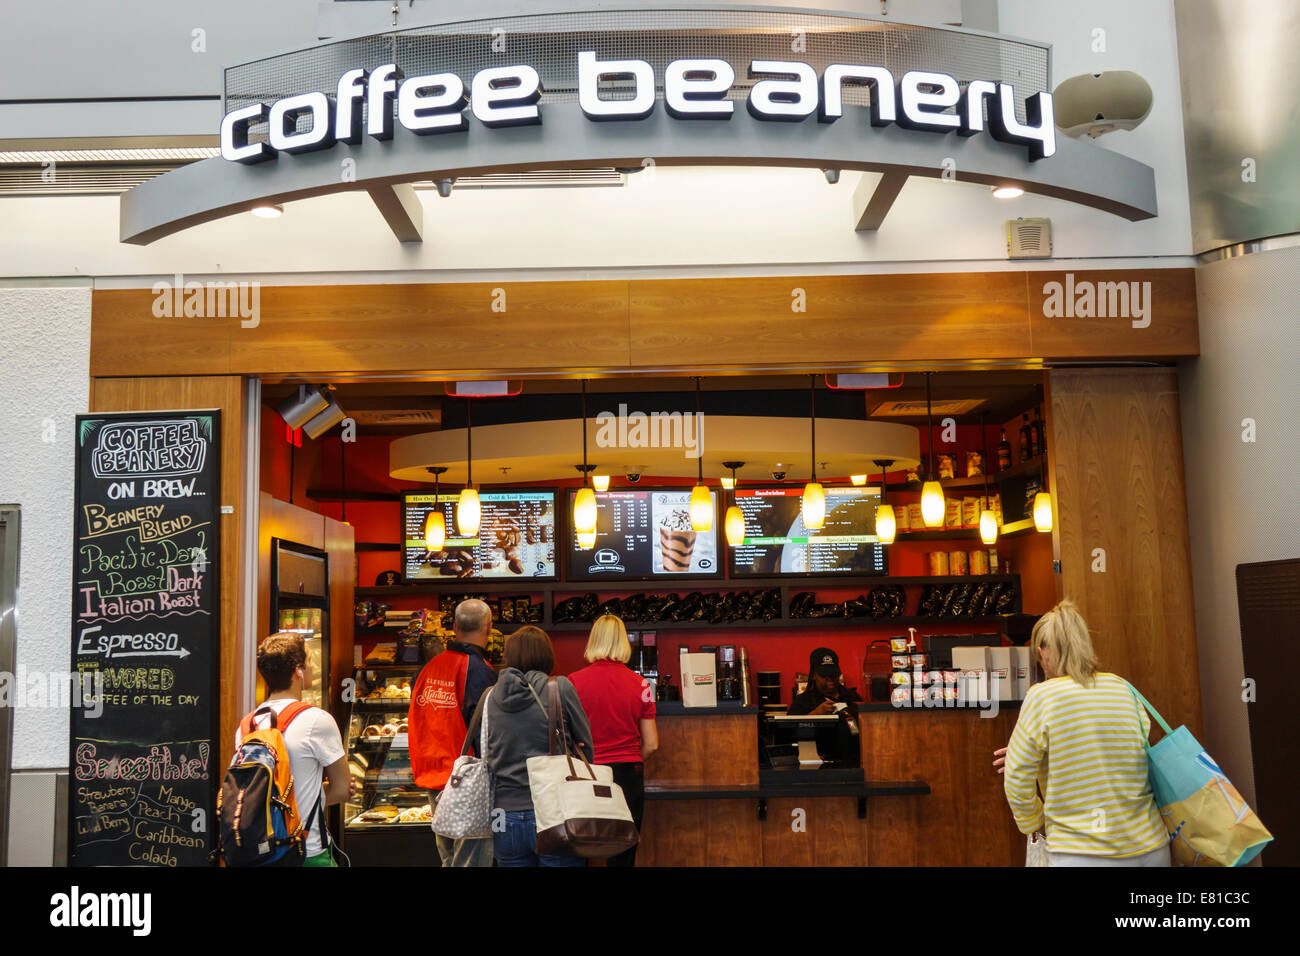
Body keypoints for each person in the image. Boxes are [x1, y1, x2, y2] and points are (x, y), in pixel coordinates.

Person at [994, 599, 1170, 866]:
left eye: (1038, 652)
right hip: (1150, 847)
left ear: (1044, 650)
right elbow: (1130, 751)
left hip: (1081, 851)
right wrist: (1051, 753)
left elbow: (1017, 778)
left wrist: (1035, 821)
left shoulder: (1042, 696)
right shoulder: (1122, 688)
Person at [465, 625, 594, 867]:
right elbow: (586, 750)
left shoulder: (488, 697)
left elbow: (485, 750)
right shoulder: (559, 688)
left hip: (502, 817)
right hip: (554, 814)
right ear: (546, 655)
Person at [234, 632, 351, 866]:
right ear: (297, 671)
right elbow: (342, 789)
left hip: (260, 852)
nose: (313, 666)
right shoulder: (317, 720)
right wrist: (316, 792)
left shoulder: (248, 724)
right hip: (306, 851)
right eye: (309, 661)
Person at [408, 598, 498, 867]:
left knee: (448, 858)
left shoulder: (427, 669)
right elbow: (486, 732)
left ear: (455, 626)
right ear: (489, 627)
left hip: (432, 777)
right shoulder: (480, 671)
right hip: (467, 781)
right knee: (471, 858)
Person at [569, 614, 658, 867]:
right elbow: (651, 744)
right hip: (627, 774)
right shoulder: (641, 684)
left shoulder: (573, 682)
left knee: (581, 844)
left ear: (593, 640)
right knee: (624, 850)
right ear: (624, 642)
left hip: (587, 772)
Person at [785, 647, 862, 766]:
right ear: (814, 675)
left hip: (853, 763)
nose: (830, 680)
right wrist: (815, 714)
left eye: (834, 675)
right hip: (817, 765)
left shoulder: (852, 698)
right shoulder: (803, 701)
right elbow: (789, 734)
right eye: (825, 676)